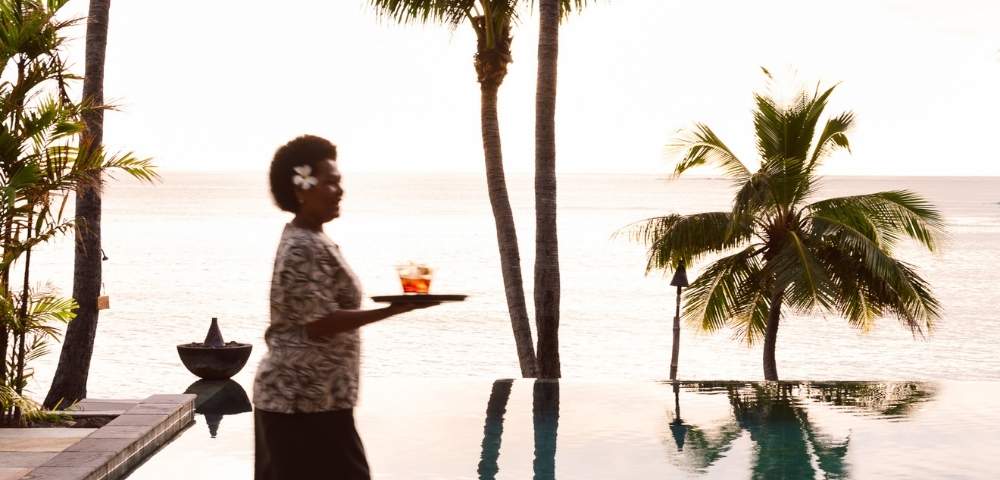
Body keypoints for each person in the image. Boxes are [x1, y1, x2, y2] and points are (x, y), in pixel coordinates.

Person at [253, 135, 436, 479]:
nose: (340, 191)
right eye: (331, 182)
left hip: (319, 398)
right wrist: (394, 309)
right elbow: (319, 322)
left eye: (340, 182)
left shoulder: (314, 239)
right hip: (299, 401)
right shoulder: (302, 246)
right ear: (301, 188)